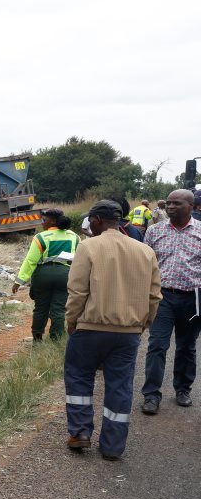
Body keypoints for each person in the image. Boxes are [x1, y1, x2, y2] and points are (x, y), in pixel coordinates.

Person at [63, 200, 161, 460]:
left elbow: (77, 291)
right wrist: (143, 324)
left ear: (96, 220)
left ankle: (81, 433)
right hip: (128, 333)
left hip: (90, 329)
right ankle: (113, 447)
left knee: (79, 378)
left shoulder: (87, 247)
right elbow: (154, 296)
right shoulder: (145, 251)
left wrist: (71, 321)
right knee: (120, 386)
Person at [139, 189, 201, 414]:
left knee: (187, 347)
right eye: (169, 203)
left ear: (191, 206)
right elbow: (146, 266)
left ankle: (183, 389)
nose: (171, 207)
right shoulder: (154, 231)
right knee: (157, 345)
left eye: (177, 203)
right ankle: (151, 395)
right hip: (162, 297)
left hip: (192, 299)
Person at [12, 209, 80, 341]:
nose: (42, 223)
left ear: (53, 221)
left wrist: (19, 281)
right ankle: (56, 339)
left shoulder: (40, 237)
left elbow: (31, 261)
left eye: (44, 220)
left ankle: (37, 339)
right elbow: (80, 258)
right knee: (59, 309)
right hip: (65, 275)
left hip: (43, 275)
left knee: (40, 308)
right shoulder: (74, 237)